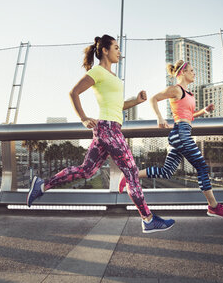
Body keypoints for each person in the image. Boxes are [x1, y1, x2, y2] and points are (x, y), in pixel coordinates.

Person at [26, 35, 175, 233]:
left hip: (109, 129)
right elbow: (74, 92)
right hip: (108, 129)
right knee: (131, 171)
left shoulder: (113, 77)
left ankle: (42, 186)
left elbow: (118, 106)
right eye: (116, 47)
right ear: (105, 50)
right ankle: (148, 219)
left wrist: (136, 101)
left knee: (86, 171)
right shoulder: (97, 71)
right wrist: (83, 118)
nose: (119, 52)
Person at [119, 60, 223, 218]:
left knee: (167, 172)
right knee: (201, 166)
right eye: (192, 70)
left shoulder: (189, 94)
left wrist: (204, 111)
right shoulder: (176, 90)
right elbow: (153, 98)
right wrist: (159, 118)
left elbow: (188, 116)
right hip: (180, 134)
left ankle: (130, 174)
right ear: (183, 73)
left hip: (182, 132)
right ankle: (213, 206)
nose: (194, 73)